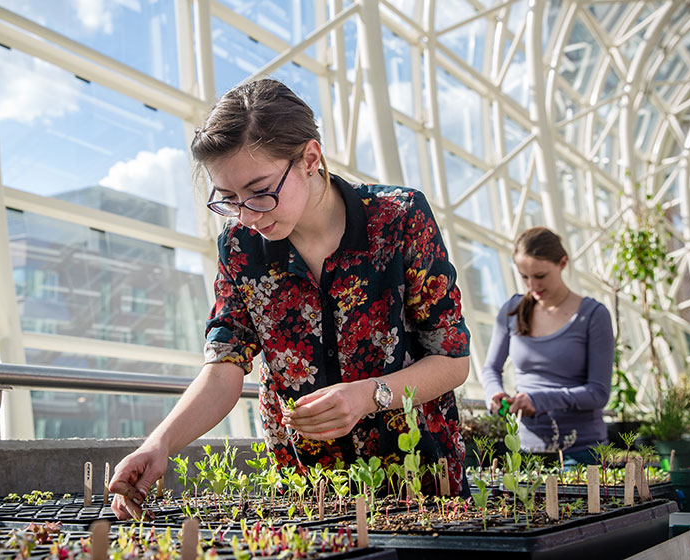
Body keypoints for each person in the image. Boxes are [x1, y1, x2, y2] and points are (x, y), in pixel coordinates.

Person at [108, 78, 471, 518]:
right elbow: (225, 364)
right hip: (310, 491)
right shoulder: (241, 247)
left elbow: (453, 359)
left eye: (260, 192)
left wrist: (369, 395)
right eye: (229, 199)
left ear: (310, 158)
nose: (246, 214)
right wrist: (159, 443)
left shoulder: (398, 218)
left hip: (420, 481)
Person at [479, 227, 614, 464]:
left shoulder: (593, 315)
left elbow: (598, 393)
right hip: (526, 451)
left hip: (581, 452)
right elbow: (491, 368)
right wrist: (495, 393)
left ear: (562, 263)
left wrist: (539, 400)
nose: (532, 285)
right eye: (524, 276)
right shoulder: (513, 310)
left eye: (540, 276)